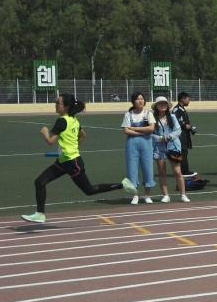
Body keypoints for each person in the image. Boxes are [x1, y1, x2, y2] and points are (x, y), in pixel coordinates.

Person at [22, 94, 135, 224]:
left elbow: (50, 141)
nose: (55, 105)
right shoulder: (74, 120)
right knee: (40, 182)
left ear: (66, 106)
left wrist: (45, 132)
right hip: (64, 161)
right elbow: (83, 135)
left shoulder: (62, 121)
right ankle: (40, 214)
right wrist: (73, 147)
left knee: (89, 190)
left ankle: (122, 185)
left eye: (58, 103)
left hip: (72, 163)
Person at [121, 91, 156, 204]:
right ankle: (135, 195)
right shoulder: (128, 114)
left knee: (148, 169)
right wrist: (141, 133)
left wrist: (134, 129)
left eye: (142, 99)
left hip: (147, 144)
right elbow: (126, 130)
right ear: (133, 101)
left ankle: (147, 195)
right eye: (138, 99)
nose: (140, 101)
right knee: (132, 169)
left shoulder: (148, 113)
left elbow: (151, 128)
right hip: (132, 144)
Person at [152, 96, 188, 203]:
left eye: (165, 103)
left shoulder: (172, 116)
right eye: (160, 103)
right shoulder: (152, 118)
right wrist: (159, 138)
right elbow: (150, 133)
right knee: (162, 172)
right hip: (159, 147)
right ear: (156, 106)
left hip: (173, 146)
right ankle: (166, 195)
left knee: (177, 172)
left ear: (167, 106)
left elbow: (178, 130)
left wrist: (168, 137)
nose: (163, 105)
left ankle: (183, 195)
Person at [172, 92, 197, 178]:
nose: (189, 101)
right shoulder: (177, 110)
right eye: (188, 99)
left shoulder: (181, 109)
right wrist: (189, 127)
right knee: (182, 152)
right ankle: (184, 171)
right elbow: (178, 123)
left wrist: (190, 128)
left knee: (184, 152)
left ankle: (183, 170)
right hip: (180, 134)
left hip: (184, 134)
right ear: (182, 99)